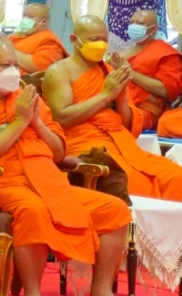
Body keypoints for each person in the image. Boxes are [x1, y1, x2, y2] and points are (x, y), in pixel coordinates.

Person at [0, 42, 138, 296]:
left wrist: (36, 122)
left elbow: (59, 152)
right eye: (5, 66)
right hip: (3, 182)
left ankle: (100, 294)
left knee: (114, 209)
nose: (14, 71)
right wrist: (19, 122)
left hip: (48, 181)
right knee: (33, 211)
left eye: (15, 64)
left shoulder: (28, 100)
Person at [45, 15, 182, 198]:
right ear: (74, 40)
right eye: (94, 39)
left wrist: (121, 98)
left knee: (176, 176)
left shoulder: (108, 71)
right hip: (87, 145)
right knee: (133, 181)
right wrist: (105, 95)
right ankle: (133, 218)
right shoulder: (59, 71)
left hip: (120, 144)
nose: (101, 44)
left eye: (104, 39)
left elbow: (125, 123)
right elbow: (61, 117)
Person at [114, 7, 181, 134]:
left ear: (154, 29)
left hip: (145, 112)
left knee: (111, 119)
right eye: (131, 22)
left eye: (140, 23)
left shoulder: (165, 53)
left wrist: (130, 72)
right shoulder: (121, 54)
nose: (133, 26)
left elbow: (165, 90)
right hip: (115, 103)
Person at [4, 2, 67, 72]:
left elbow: (40, 67)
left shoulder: (49, 42)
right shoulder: (16, 35)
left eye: (30, 16)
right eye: (24, 15)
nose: (25, 19)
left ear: (44, 22)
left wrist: (11, 50)